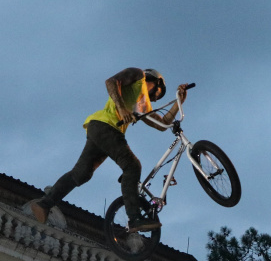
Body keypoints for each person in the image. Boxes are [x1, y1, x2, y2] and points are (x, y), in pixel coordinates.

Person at [30, 67, 188, 231]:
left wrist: (179, 103)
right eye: (156, 93)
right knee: (132, 166)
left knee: (81, 173)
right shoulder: (138, 75)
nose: (154, 99)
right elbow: (111, 82)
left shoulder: (141, 105)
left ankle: (44, 205)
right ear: (156, 81)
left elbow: (161, 124)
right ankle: (134, 218)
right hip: (106, 127)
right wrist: (121, 108)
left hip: (100, 130)